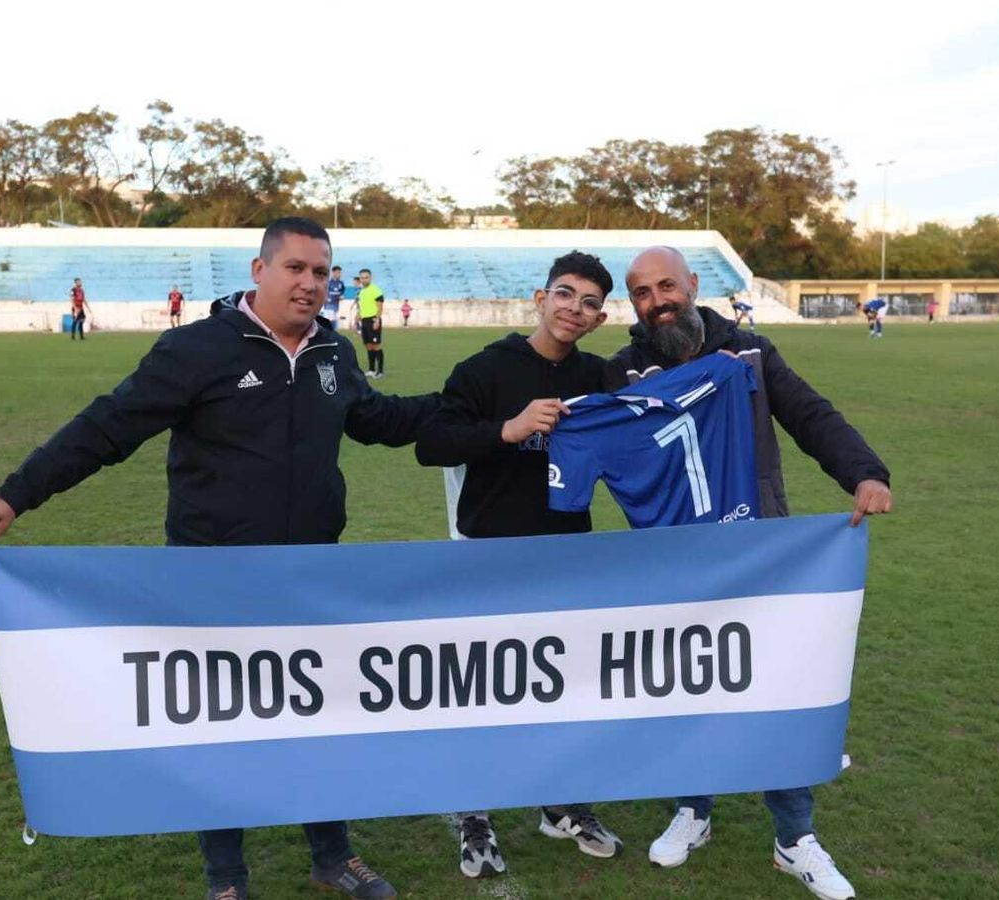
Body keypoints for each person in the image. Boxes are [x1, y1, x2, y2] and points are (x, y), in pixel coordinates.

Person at [0, 217, 434, 900]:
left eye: (321, 272)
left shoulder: (333, 354)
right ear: (259, 271)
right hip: (212, 580)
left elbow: (384, 421)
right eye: (295, 268)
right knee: (221, 728)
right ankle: (226, 880)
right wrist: (13, 495)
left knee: (317, 719)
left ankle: (332, 855)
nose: (309, 284)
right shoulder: (197, 349)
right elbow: (107, 427)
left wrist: (491, 419)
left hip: (309, 576)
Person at [608, 246, 892, 900]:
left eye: (666, 286)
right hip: (672, 564)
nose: (658, 301)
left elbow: (809, 414)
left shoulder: (751, 353)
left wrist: (865, 471)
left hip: (759, 555)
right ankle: (694, 808)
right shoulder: (622, 370)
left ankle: (794, 838)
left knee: (774, 692)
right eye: (644, 293)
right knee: (683, 687)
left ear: (693, 285)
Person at [414, 251, 622, 879]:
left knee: (558, 686)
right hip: (490, 556)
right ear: (540, 296)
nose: (574, 309)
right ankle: (473, 811)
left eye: (589, 302)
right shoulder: (485, 368)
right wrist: (508, 429)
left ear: (599, 315)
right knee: (480, 688)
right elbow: (432, 444)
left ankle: (556, 802)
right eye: (565, 294)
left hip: (565, 558)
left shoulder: (599, 376)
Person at [358, 268, 385, 378]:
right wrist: (357, 318)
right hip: (364, 321)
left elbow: (380, 307)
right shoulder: (362, 292)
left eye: (366, 277)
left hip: (373, 320)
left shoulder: (376, 290)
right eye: (362, 278)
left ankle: (380, 371)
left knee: (376, 345)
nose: (364, 280)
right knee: (368, 345)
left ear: (370, 278)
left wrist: (377, 319)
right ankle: (371, 369)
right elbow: (362, 307)